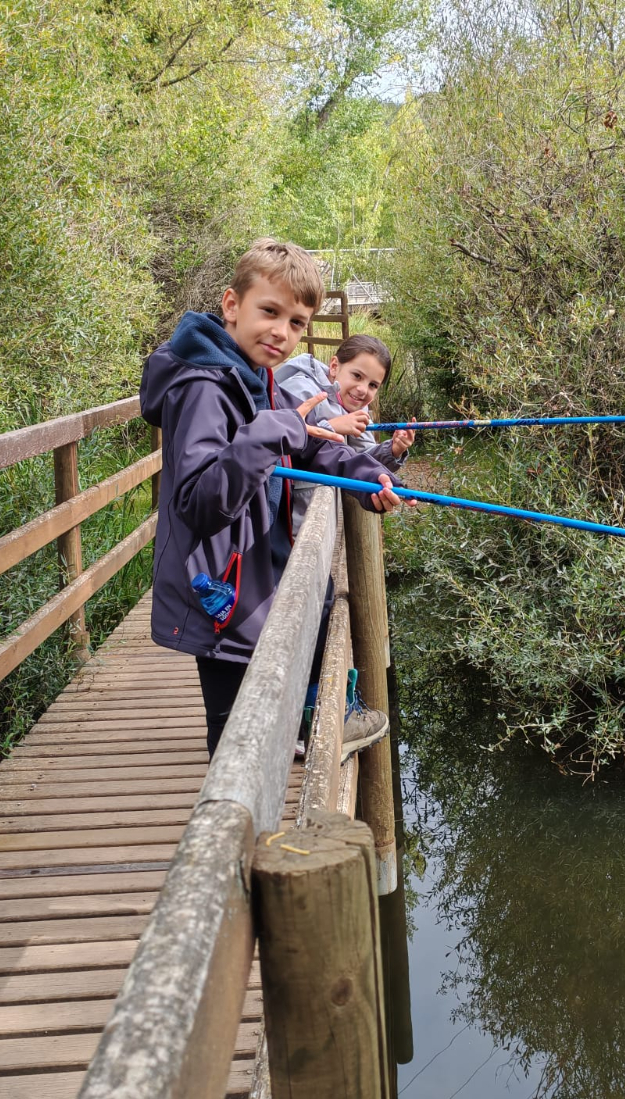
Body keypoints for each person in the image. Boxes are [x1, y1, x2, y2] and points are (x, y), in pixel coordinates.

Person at [139, 238, 413, 757]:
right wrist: (274, 430)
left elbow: (313, 444)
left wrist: (369, 477)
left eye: (297, 323)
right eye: (270, 312)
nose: (282, 333)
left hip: (247, 574)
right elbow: (201, 502)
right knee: (234, 736)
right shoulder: (205, 386)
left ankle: (289, 748)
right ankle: (237, 827)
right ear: (231, 305)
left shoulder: (256, 378)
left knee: (262, 706)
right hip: (217, 586)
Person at [276, 334, 416, 534]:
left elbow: (360, 458)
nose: (362, 390)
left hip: (313, 521)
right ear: (334, 366)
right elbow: (285, 444)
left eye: (373, 385)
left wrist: (393, 450)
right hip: (282, 514)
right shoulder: (301, 389)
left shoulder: (358, 406)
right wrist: (333, 426)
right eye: (357, 376)